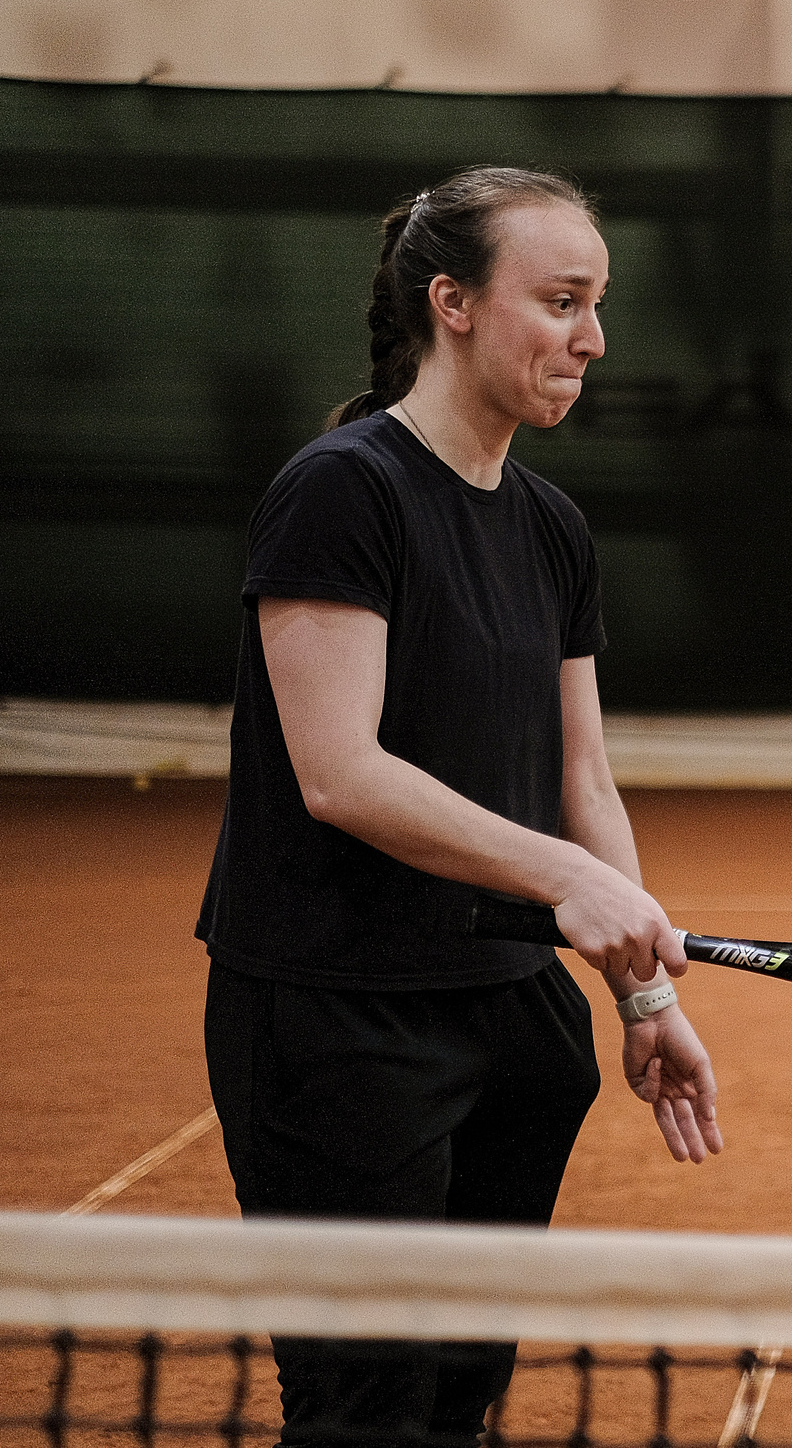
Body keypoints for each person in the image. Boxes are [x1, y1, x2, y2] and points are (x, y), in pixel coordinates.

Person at [198, 166, 723, 1448]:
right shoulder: (344, 490)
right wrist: (563, 879)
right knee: (361, 1399)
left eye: (598, 304)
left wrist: (645, 994)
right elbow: (341, 772)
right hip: (340, 1022)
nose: (591, 339)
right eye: (560, 300)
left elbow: (579, 776)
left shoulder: (550, 526)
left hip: (510, 1020)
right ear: (453, 305)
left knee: (460, 1387)